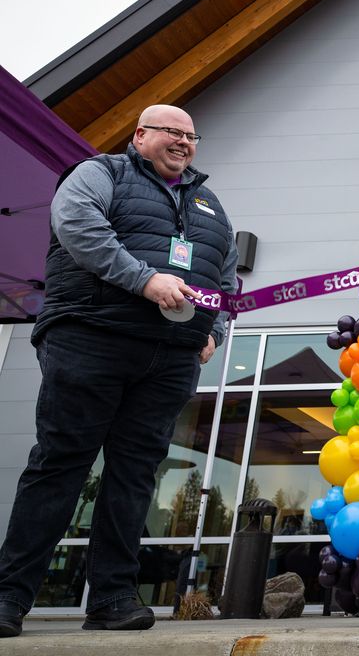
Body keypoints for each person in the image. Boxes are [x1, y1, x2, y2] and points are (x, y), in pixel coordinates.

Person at [0, 105, 237, 638]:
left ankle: (111, 598)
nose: (182, 142)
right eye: (170, 132)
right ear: (140, 135)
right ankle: (9, 596)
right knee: (61, 463)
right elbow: (79, 229)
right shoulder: (99, 174)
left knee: (134, 475)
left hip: (170, 355)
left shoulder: (210, 204)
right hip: (91, 337)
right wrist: (145, 280)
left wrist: (213, 331)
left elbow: (225, 278)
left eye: (190, 135)